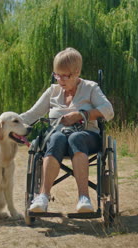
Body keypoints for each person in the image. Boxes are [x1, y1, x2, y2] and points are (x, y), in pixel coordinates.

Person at [20, 47, 114, 213]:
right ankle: (43, 196)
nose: (60, 80)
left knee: (75, 138)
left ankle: (84, 198)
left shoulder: (90, 88)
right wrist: (4, 123)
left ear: (77, 72)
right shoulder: (53, 91)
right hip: (58, 137)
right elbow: (32, 114)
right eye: (57, 75)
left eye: (65, 75)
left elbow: (108, 111)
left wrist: (81, 115)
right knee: (57, 138)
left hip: (87, 136)